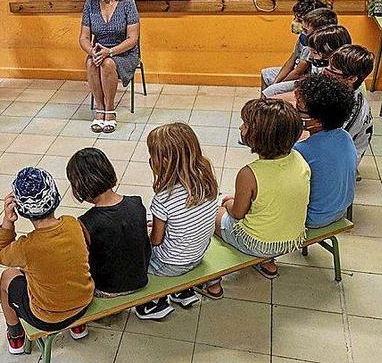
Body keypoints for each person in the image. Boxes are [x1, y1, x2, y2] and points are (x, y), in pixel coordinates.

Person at [209, 99, 309, 291]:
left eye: (245, 125)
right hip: (292, 239)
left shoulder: (249, 173)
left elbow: (237, 213)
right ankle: (267, 262)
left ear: (259, 136)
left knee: (211, 212)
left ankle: (215, 275)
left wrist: (228, 202)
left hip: (257, 242)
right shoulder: (299, 159)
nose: (241, 127)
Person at [0, 167, 94, 354]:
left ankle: (15, 334)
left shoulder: (26, 247)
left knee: (7, 277)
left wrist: (8, 221)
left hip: (46, 318)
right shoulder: (72, 223)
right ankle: (78, 327)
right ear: (55, 196)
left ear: (21, 209)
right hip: (84, 303)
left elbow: (1, 254)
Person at [136, 122, 220, 321]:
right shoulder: (206, 183)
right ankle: (182, 291)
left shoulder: (163, 199)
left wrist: (145, 234)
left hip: (169, 264)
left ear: (164, 161)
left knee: (134, 252)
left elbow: (156, 240)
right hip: (197, 255)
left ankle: (153, 303)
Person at [68, 148, 150, 298]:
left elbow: (82, 260)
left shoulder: (86, 223)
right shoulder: (136, 203)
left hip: (107, 288)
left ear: (80, 185)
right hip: (140, 280)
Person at [78, 0, 140, 134]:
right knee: (91, 62)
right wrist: (92, 51)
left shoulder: (128, 4)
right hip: (99, 50)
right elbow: (83, 37)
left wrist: (110, 52)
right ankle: (100, 108)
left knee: (107, 64)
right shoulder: (90, 5)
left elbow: (132, 39)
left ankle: (110, 110)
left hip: (124, 52)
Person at [294, 75, 357, 228]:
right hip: (340, 211)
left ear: (317, 120)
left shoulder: (301, 150)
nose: (295, 110)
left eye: (299, 109)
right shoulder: (345, 136)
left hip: (312, 219)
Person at [261, 0, 332, 94]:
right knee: (266, 74)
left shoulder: (314, 42)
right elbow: (292, 60)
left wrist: (278, 86)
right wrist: (276, 82)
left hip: (306, 78)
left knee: (271, 92)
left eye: (299, 19)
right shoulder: (303, 36)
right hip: (298, 73)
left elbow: (298, 72)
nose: (296, 22)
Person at [324, 45, 375, 166]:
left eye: (332, 69)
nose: (325, 71)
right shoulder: (340, 90)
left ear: (351, 78)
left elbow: (330, 144)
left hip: (339, 162)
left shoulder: (352, 111)